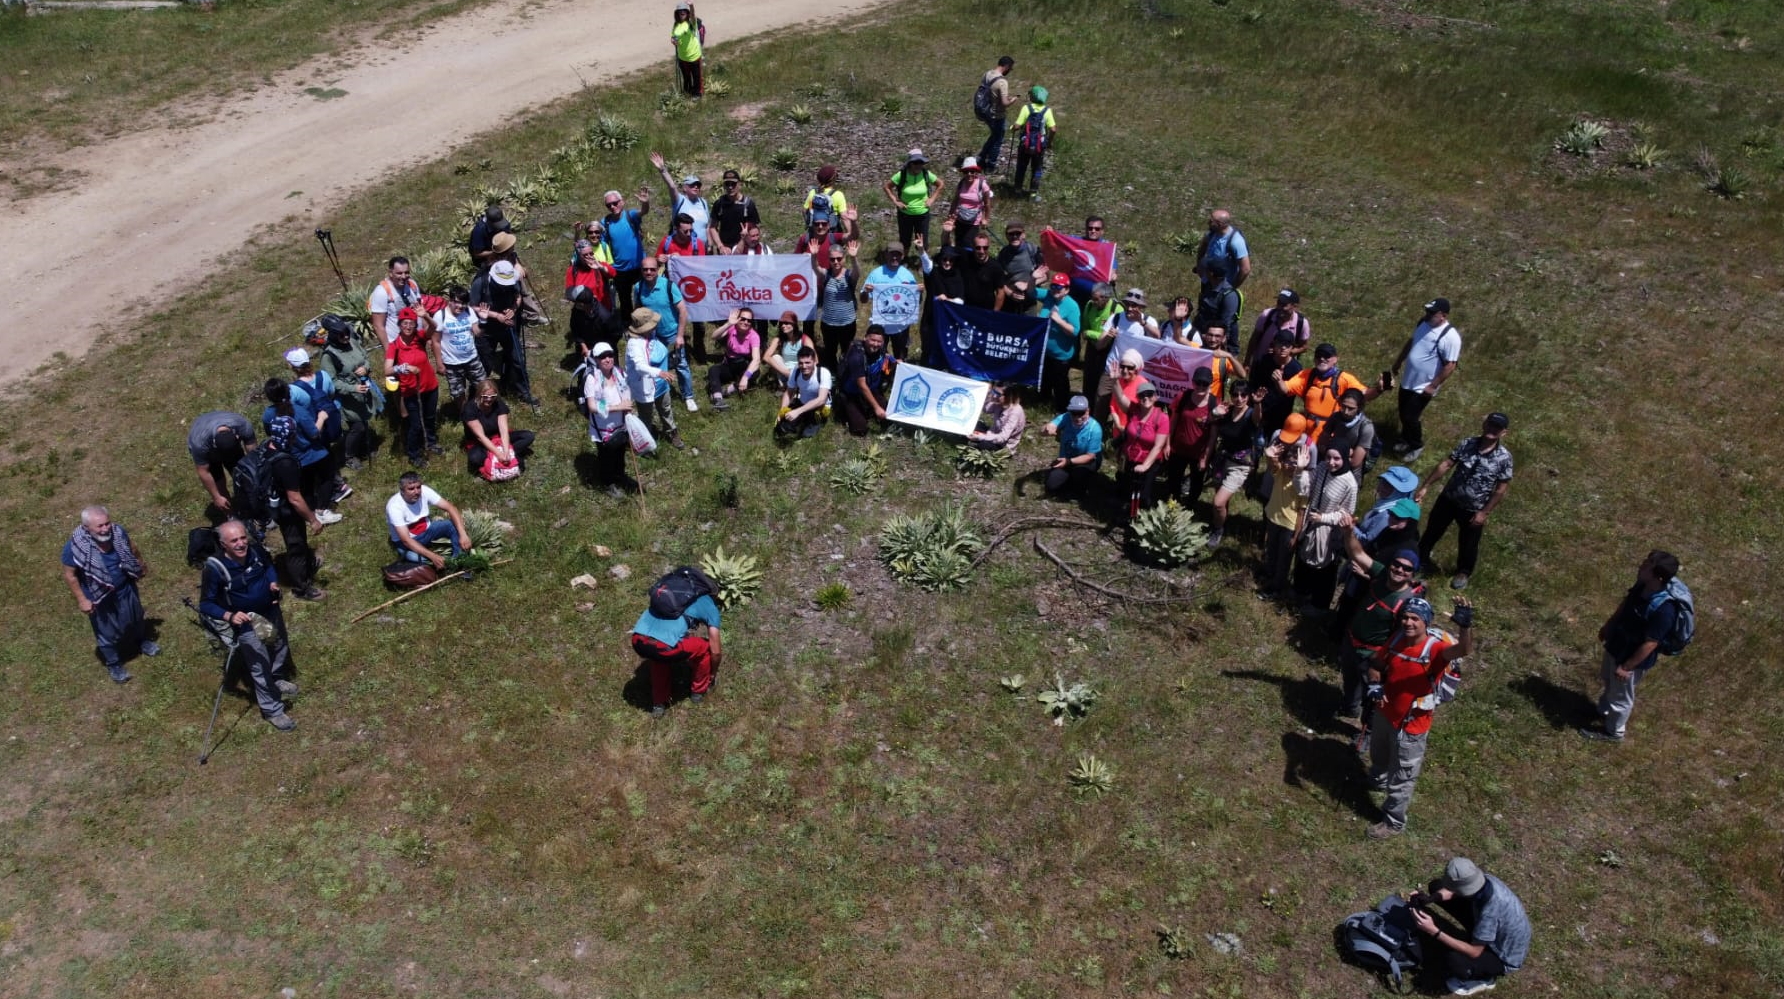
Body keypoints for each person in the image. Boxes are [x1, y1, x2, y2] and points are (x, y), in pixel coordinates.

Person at [1364, 595, 1476, 839]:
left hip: (1411, 725)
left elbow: (1464, 650)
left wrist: (1464, 627)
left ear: (1426, 623)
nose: (1408, 623)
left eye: (1415, 618)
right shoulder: (1396, 640)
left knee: (1402, 776)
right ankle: (1376, 780)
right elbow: (1376, 665)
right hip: (1385, 713)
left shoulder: (1434, 650)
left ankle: (1393, 822)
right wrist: (1374, 684)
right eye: (1405, 617)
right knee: (1379, 755)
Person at [199, 519, 300, 731]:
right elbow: (206, 604)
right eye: (234, 540)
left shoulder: (255, 551)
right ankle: (273, 709)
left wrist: (273, 583)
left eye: (243, 537)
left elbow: (269, 567)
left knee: (279, 645)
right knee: (259, 664)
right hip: (247, 624)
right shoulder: (215, 568)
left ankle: (277, 677)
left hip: (271, 610)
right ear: (223, 544)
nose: (241, 543)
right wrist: (228, 615)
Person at [1580, 550, 1685, 744]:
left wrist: (1627, 667)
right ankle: (1602, 711)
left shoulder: (1665, 610)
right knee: (1609, 681)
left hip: (1631, 659)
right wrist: (1609, 624)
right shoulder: (1642, 586)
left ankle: (1614, 732)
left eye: (1648, 565)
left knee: (1621, 696)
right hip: (1618, 644)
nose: (1642, 565)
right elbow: (1625, 604)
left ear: (1658, 576)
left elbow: (1651, 643)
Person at [1416, 412, 1514, 591]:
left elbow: (1501, 489)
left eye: (1497, 428)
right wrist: (1426, 486)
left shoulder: (1504, 458)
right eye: (1490, 425)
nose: (1492, 430)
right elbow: (1446, 464)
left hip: (1474, 508)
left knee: (1469, 543)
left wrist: (1484, 512)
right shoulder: (1468, 443)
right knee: (1432, 531)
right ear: (1484, 424)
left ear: (1503, 432)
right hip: (1449, 498)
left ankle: (1463, 572)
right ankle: (1420, 558)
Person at [1406, 857, 1532, 995]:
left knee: (1455, 961)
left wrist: (1434, 931)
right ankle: (1477, 938)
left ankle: (1484, 979)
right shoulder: (1485, 881)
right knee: (1436, 887)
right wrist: (1429, 899)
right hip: (1493, 927)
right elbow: (1453, 891)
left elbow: (1474, 952)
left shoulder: (1490, 911)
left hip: (1502, 955)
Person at [1336, 529, 1424, 722]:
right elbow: (1358, 554)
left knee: (1373, 698)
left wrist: (1380, 662)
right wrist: (1348, 532)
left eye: (1407, 569)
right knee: (1349, 680)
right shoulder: (1382, 574)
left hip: (1373, 657)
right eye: (1397, 564)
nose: (1400, 570)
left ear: (1412, 574)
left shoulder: (1407, 602)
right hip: (1351, 642)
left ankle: (1365, 733)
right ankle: (1350, 707)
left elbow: (1406, 638)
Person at [61, 505, 157, 684]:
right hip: (99, 595)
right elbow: (70, 575)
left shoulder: (118, 533)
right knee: (107, 632)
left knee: (136, 616)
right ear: (86, 528)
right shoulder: (74, 548)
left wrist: (139, 564)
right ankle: (114, 664)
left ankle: (141, 641)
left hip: (125, 587)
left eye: (107, 523)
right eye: (100, 526)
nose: (106, 529)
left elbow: (131, 548)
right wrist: (82, 599)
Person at [257, 407, 330, 600]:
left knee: (298, 542)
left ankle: (306, 566)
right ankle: (301, 587)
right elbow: (295, 498)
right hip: (286, 511)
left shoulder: (267, 447)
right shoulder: (285, 463)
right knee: (295, 544)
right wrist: (313, 519)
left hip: (275, 504)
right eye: (293, 434)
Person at [631, 569, 724, 718]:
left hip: (637, 639)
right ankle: (698, 691)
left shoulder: (673, 591)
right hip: (663, 648)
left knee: (658, 657)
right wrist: (713, 672)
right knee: (706, 649)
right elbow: (716, 651)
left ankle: (659, 704)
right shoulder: (709, 605)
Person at [266, 358, 341, 520]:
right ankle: (322, 509)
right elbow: (314, 433)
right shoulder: (298, 411)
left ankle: (310, 510)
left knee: (305, 484)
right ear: (288, 391)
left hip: (291, 457)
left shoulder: (268, 414)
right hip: (313, 453)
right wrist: (321, 418)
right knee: (327, 477)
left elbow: (269, 432)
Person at [1391, 297, 1463, 461]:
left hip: (1424, 385)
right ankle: (1405, 438)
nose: (1427, 314)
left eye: (1432, 312)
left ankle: (1416, 444)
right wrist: (1398, 362)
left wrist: (1433, 386)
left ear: (1443, 315)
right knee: (1403, 412)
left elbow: (1450, 365)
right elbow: (1412, 342)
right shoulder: (1423, 323)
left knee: (1411, 416)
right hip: (1409, 378)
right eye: (1427, 311)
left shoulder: (1450, 337)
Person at [1292, 445, 1359, 614]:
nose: (1331, 462)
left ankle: (1318, 605)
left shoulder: (1350, 483)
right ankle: (1301, 593)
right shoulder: (1322, 468)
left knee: (1324, 569)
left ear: (1345, 459)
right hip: (1311, 522)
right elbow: (1303, 489)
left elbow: (1346, 513)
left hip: (1328, 532)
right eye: (1328, 457)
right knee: (1303, 559)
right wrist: (1300, 470)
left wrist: (1323, 518)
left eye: (1337, 458)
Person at [283, 346, 349, 509]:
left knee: (320, 460)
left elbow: (293, 412)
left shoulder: (293, 390)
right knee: (328, 453)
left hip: (312, 428)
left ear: (293, 366)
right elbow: (331, 394)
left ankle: (335, 486)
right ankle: (336, 482)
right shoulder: (323, 376)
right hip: (329, 422)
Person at [1259, 413, 1313, 598]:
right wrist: (1270, 457)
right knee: (1271, 550)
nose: (1289, 466)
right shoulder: (1280, 473)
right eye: (1287, 462)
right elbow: (1274, 466)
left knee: (1284, 559)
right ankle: (1268, 574)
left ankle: (1276, 586)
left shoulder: (1303, 482)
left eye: (1294, 464)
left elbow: (1302, 511)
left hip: (1289, 526)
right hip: (1273, 518)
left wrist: (1296, 535)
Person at [317, 319, 381, 471]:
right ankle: (349, 455)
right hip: (348, 397)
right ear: (333, 336)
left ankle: (365, 446)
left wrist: (365, 368)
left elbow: (365, 358)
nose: (346, 338)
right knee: (356, 426)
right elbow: (331, 381)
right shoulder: (328, 356)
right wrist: (353, 388)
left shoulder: (353, 342)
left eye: (346, 333)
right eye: (341, 336)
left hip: (364, 389)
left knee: (365, 420)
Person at [1205, 379, 1263, 548]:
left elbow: (1257, 419)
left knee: (1218, 502)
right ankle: (1221, 519)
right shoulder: (1227, 411)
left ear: (1249, 397)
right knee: (1221, 499)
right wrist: (1216, 413)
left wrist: (1258, 404)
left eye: (1243, 395)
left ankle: (1218, 528)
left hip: (1240, 465)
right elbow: (1207, 422)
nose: (1239, 398)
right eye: (1235, 394)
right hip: (1222, 459)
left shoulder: (1250, 414)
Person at [471, 259, 537, 407]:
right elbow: (472, 307)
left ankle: (523, 391)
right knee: (485, 365)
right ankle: (476, 395)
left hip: (507, 327)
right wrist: (496, 316)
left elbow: (518, 296)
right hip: (486, 330)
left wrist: (513, 309)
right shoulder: (480, 283)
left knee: (518, 359)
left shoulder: (513, 279)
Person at [1276, 342, 1373, 441]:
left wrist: (1378, 389)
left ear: (1335, 359)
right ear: (1314, 359)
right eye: (1318, 356)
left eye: (1327, 356)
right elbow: (1285, 389)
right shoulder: (1307, 375)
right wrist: (1279, 380)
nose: (1322, 359)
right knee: (1294, 419)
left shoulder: (1344, 379)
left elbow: (1363, 395)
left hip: (1330, 433)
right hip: (1307, 433)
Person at [383, 308, 444, 467]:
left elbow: (433, 327)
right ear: (399, 325)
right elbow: (387, 369)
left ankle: (430, 442)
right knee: (415, 424)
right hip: (410, 390)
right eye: (405, 323)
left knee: (430, 417)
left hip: (430, 385)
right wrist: (402, 367)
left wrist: (425, 316)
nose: (408, 327)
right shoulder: (394, 346)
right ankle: (414, 454)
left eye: (411, 323)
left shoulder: (420, 337)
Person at [634, 256, 695, 410]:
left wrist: (680, 335)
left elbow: (682, 311)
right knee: (654, 365)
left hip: (671, 333)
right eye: (645, 269)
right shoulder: (637, 287)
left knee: (681, 364)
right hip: (652, 335)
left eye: (652, 269)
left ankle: (688, 396)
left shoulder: (669, 286)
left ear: (658, 270)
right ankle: (657, 396)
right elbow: (638, 311)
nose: (649, 272)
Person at [622, 308, 686, 450]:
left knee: (665, 408)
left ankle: (671, 431)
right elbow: (639, 366)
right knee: (646, 414)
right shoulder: (634, 345)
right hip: (645, 385)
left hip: (660, 383)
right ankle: (645, 440)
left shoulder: (651, 334)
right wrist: (659, 373)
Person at [385, 470, 472, 569]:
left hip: (428, 530)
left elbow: (450, 508)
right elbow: (406, 540)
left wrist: (463, 534)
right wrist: (432, 556)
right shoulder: (394, 506)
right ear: (402, 491)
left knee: (452, 525)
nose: (416, 491)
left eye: (418, 487)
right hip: (408, 542)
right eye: (411, 489)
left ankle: (459, 560)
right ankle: (435, 562)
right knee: (415, 558)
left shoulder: (425, 491)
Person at [581, 343, 636, 496]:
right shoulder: (592, 379)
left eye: (610, 355)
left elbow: (625, 392)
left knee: (620, 453)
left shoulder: (619, 373)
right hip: (602, 427)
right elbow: (592, 406)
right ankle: (608, 483)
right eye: (603, 357)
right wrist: (618, 407)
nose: (607, 359)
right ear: (597, 360)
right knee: (606, 456)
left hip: (620, 423)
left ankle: (620, 475)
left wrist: (627, 407)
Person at [1163, 365, 1216, 504]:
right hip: (1178, 448)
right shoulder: (1183, 397)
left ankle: (1191, 507)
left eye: (1205, 384)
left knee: (1196, 484)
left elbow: (1213, 436)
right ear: (1192, 382)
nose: (1200, 386)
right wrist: (1167, 444)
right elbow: (1172, 422)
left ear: (1210, 384)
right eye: (1198, 382)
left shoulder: (1214, 404)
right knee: (1173, 479)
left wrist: (1205, 457)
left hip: (1198, 453)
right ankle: (1172, 506)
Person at [462, 378, 535, 479]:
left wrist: (505, 451)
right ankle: (509, 456)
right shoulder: (469, 409)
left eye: (492, 396)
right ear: (478, 395)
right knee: (475, 458)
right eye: (485, 396)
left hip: (499, 438)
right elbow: (480, 437)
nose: (489, 399)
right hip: (480, 443)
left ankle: (505, 456)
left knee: (528, 436)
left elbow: (504, 430)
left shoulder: (498, 404)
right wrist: (498, 454)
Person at [188, 410, 256, 517]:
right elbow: (203, 471)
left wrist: (256, 475)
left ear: (237, 436)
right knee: (219, 483)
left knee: (244, 476)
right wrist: (216, 497)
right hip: (210, 453)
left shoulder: (243, 425)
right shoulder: (199, 443)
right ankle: (231, 516)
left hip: (232, 448)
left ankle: (254, 507)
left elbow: (253, 453)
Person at [1116, 381, 1169, 516]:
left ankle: (1143, 519)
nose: (1146, 398)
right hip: (1130, 457)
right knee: (1127, 489)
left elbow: (1158, 446)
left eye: (1149, 394)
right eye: (1142, 395)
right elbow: (1120, 397)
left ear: (1155, 397)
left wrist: (1145, 466)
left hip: (1149, 461)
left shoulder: (1162, 418)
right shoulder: (1133, 411)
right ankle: (1128, 514)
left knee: (1144, 495)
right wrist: (1115, 380)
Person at [431, 285, 487, 413]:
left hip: (472, 358)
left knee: (483, 386)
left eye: (463, 303)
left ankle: (483, 410)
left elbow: (477, 332)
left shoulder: (468, 312)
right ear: (450, 300)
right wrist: (439, 364)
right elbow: (435, 341)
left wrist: (483, 320)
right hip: (452, 363)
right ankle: (465, 415)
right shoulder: (440, 316)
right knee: (458, 392)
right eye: (457, 302)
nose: (460, 306)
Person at [859, 244, 920, 359]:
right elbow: (863, 300)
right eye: (892, 254)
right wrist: (866, 292)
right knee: (877, 357)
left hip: (901, 326)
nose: (895, 257)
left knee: (901, 358)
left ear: (902, 256)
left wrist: (918, 291)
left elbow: (915, 301)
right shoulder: (876, 274)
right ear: (886, 255)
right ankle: (880, 375)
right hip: (880, 325)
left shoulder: (908, 275)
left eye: (898, 254)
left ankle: (897, 375)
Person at [599, 187, 653, 316]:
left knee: (644, 295)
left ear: (622, 202)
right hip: (619, 269)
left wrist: (645, 202)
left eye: (615, 203)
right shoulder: (605, 222)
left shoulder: (631, 215)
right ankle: (628, 324)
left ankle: (646, 320)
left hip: (640, 267)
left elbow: (643, 211)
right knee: (624, 299)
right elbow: (602, 244)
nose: (612, 206)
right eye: (609, 205)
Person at [836, 325, 895, 436]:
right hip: (853, 393)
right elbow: (862, 386)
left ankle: (867, 407)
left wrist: (896, 362)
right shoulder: (857, 357)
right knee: (860, 429)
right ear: (865, 338)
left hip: (872, 389)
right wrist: (877, 408)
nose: (876, 344)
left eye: (879, 341)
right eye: (872, 340)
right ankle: (844, 407)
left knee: (889, 418)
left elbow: (887, 357)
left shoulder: (881, 350)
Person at [1040, 394, 1103, 497]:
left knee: (1078, 480)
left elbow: (1090, 456)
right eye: (1074, 413)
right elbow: (1047, 428)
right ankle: (1069, 477)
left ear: (1088, 411)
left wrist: (1069, 462)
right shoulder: (1066, 417)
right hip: (1066, 459)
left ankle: (1083, 480)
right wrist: (1046, 429)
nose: (1077, 417)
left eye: (1081, 413)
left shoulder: (1095, 428)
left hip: (1087, 460)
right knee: (1051, 485)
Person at [814, 238, 862, 372]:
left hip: (848, 323)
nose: (836, 262)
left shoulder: (848, 275)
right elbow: (815, 267)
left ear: (844, 258)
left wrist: (854, 258)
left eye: (839, 258)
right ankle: (833, 375)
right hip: (828, 323)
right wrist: (813, 255)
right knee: (830, 351)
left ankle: (845, 375)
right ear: (828, 260)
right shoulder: (826, 275)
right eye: (832, 259)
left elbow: (858, 273)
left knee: (847, 351)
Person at [1038, 271, 1081, 411]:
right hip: (1045, 350)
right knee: (1045, 376)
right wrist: (1033, 278)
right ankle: (1042, 402)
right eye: (1053, 286)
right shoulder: (1049, 296)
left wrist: (1058, 320)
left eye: (1059, 287)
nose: (1055, 290)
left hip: (1062, 353)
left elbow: (1075, 331)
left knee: (1060, 382)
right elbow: (1031, 292)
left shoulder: (1072, 306)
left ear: (1067, 290)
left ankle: (1062, 408)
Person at [564, 240, 617, 351]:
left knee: (605, 338)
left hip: (603, 308)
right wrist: (581, 298)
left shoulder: (598, 265)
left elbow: (613, 273)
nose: (589, 256)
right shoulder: (573, 270)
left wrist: (600, 267)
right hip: (585, 312)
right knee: (588, 338)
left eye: (591, 253)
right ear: (579, 255)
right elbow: (569, 292)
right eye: (585, 255)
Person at [883, 149, 941, 251]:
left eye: (921, 162)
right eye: (915, 163)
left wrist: (932, 199)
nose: (918, 165)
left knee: (922, 242)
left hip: (922, 214)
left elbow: (940, 184)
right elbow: (887, 187)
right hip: (905, 214)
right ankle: (904, 260)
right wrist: (896, 201)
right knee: (904, 241)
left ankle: (921, 262)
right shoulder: (902, 175)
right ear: (910, 163)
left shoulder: (926, 174)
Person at [706, 308, 762, 411]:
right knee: (713, 370)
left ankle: (729, 390)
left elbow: (756, 360)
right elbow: (714, 336)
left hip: (743, 365)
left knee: (755, 372)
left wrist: (745, 377)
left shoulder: (754, 336)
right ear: (737, 319)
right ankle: (718, 399)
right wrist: (728, 324)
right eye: (743, 319)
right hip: (729, 364)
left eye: (749, 320)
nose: (746, 322)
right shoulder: (732, 328)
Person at [367, 256, 426, 344]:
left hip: (417, 341)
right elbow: (378, 325)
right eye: (399, 273)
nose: (403, 276)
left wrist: (426, 335)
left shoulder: (412, 285)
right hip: (397, 344)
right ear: (390, 273)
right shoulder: (381, 292)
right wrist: (388, 350)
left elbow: (421, 312)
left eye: (406, 272)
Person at [1319, 388, 1378, 475]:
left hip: (1351, 472)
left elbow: (1355, 462)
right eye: (1343, 406)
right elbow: (1321, 445)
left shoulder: (1366, 427)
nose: (1346, 412)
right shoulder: (1335, 417)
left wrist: (1332, 452)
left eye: (1351, 409)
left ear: (1359, 408)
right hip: (1332, 463)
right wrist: (1346, 453)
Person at [776, 346, 831, 439]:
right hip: (802, 402)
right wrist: (782, 411)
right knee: (782, 428)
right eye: (801, 363)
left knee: (807, 435)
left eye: (807, 362)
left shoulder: (823, 373)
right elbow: (789, 392)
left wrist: (798, 411)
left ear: (814, 362)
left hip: (818, 407)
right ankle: (800, 420)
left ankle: (816, 420)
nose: (804, 366)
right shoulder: (796, 370)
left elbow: (821, 399)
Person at [1254, 330, 1304, 433]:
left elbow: (1293, 392)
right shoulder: (1263, 361)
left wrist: (1279, 382)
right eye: (1280, 343)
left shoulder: (1296, 369)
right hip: (1260, 409)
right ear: (1274, 345)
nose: (1283, 348)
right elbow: (1253, 383)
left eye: (1287, 345)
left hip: (1281, 413)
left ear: (1292, 348)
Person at [1010, 85, 1056, 199]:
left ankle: (1017, 190)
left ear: (1032, 97)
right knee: (1037, 168)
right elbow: (1053, 129)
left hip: (1025, 143)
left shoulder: (1026, 108)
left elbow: (1017, 125)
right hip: (1040, 144)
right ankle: (1033, 193)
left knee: (1021, 166)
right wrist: (1049, 142)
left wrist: (1012, 128)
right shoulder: (1047, 111)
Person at [1245, 288, 1310, 367]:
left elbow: (1304, 347)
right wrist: (1247, 361)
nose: (1279, 307)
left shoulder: (1301, 323)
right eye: (1279, 303)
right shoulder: (1267, 315)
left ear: (1294, 306)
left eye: (1284, 304)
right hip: (1260, 364)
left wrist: (1287, 352)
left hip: (1284, 368)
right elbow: (1254, 339)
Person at [975, 56, 1019, 172]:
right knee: (998, 139)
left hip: (985, 111)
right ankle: (991, 165)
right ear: (1007, 67)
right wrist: (1012, 100)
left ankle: (981, 158)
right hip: (996, 115)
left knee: (994, 136)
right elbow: (1004, 103)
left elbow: (990, 92)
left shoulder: (988, 74)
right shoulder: (1002, 82)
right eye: (1010, 68)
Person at [1195, 208, 1252, 292]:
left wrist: (1231, 288)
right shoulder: (1212, 233)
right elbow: (1202, 247)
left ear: (1219, 224)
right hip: (1207, 281)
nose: (1208, 223)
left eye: (1211, 221)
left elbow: (1245, 269)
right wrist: (1199, 264)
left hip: (1223, 287)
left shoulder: (1236, 241)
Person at [707, 168, 759, 252]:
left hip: (744, 249)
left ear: (739, 184)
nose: (730, 187)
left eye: (733, 184)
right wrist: (720, 246)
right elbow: (713, 227)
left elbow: (755, 229)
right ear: (724, 185)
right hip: (724, 249)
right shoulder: (719, 203)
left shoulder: (748, 204)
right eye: (727, 184)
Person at [947, 157, 995, 248]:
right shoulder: (961, 183)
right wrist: (950, 216)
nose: (969, 174)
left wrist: (985, 219)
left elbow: (987, 204)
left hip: (974, 222)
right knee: (959, 242)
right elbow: (955, 200)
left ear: (976, 172)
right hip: (960, 219)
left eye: (972, 171)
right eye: (966, 172)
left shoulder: (982, 185)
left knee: (969, 245)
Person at [967, 382, 1026, 452]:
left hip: (1003, 445)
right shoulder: (1000, 403)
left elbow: (1003, 438)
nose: (995, 396)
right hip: (993, 433)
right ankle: (974, 439)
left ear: (1008, 396)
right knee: (974, 424)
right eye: (994, 392)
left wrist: (981, 437)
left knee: (984, 445)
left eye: (998, 394)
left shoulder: (1015, 412)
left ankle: (975, 442)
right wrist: (988, 394)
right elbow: (986, 409)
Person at [762, 310, 816, 387]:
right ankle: (786, 384)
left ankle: (798, 385)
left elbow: (815, 359)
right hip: (784, 371)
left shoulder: (804, 339)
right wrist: (786, 372)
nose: (783, 326)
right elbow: (766, 357)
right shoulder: (778, 339)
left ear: (794, 324)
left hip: (800, 369)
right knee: (775, 357)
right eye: (781, 324)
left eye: (786, 323)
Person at [958, 232, 1008, 312]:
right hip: (966, 309)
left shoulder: (995, 267)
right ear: (973, 247)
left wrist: (994, 312)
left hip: (985, 311)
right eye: (978, 248)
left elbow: (1000, 292)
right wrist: (947, 232)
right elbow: (947, 248)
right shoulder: (966, 258)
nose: (982, 251)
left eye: (985, 248)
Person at [1106, 347, 1147, 434]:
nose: (1125, 370)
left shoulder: (1143, 385)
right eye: (1122, 366)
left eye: (1129, 368)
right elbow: (1113, 405)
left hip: (1135, 430)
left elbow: (1144, 412)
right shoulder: (1118, 381)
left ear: (1136, 369)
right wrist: (1117, 424)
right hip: (1119, 428)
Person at [1194, 264, 1240, 341]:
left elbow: (1225, 323)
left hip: (1215, 339)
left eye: (1206, 270)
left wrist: (1216, 340)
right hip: (1202, 331)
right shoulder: (1208, 285)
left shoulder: (1229, 296)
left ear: (1211, 274)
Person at [670, 2, 702, 96]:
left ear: (687, 13)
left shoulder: (691, 23)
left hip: (694, 55)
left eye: (684, 11)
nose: (682, 13)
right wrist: (673, 41)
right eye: (680, 12)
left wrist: (691, 6)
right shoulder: (676, 25)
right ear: (677, 13)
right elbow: (673, 36)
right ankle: (687, 91)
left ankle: (697, 94)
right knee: (686, 76)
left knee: (696, 76)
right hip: (682, 57)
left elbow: (693, 15)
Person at [804, 165, 849, 232]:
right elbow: (844, 217)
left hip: (815, 233)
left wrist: (809, 223)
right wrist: (850, 233)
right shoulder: (838, 195)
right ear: (834, 179)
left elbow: (805, 211)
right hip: (832, 233)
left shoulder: (813, 193)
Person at [996, 222, 1040, 287]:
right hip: (1013, 292)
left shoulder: (1033, 250)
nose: (1014, 236)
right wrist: (1010, 293)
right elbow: (998, 277)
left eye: (1018, 233)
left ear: (1024, 235)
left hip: (1032, 290)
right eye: (1011, 234)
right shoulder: (1003, 254)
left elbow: (1046, 276)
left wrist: (1028, 285)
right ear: (1006, 236)